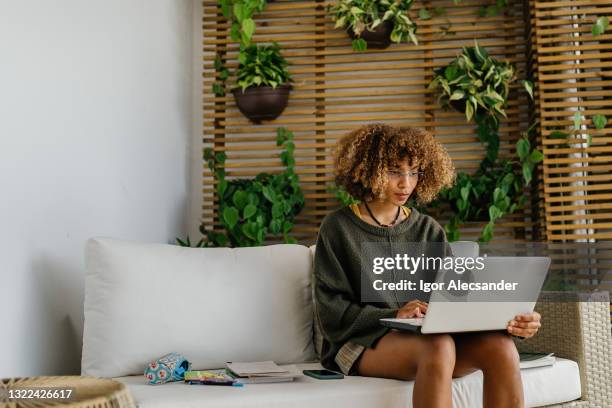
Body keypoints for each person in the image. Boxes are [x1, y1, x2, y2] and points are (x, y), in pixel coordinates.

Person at [313, 123, 542, 408]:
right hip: (360, 342)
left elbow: (455, 300)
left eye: (415, 172)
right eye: (395, 171)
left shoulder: (428, 230)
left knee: (502, 348)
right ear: (368, 169)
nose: (406, 183)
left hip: (428, 337)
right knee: (439, 346)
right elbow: (331, 314)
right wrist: (395, 313)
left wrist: (509, 322)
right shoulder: (338, 228)